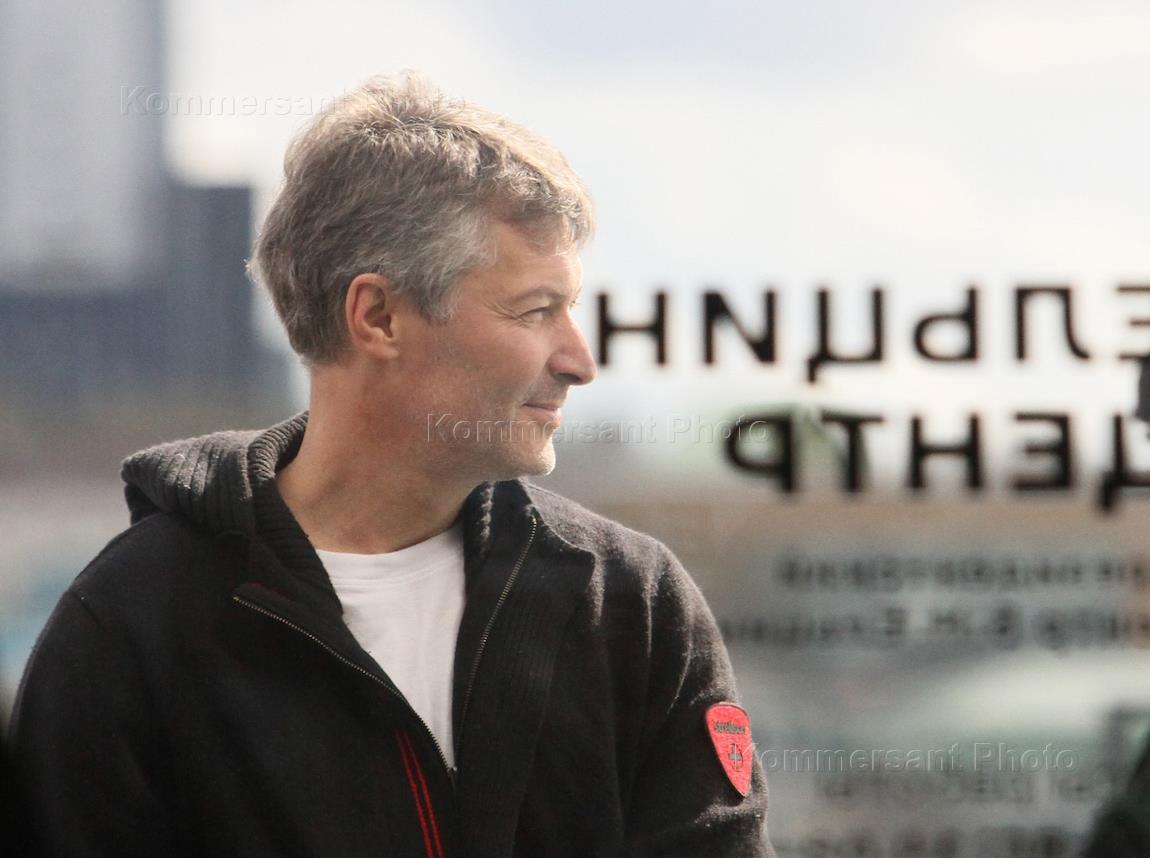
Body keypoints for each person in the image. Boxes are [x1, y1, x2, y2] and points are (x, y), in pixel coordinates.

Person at [8, 74, 773, 857]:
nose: (580, 360)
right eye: (536, 310)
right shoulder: (129, 629)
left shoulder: (633, 607)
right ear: (377, 316)